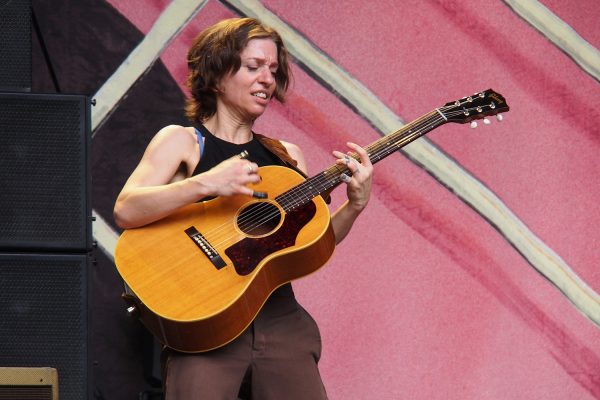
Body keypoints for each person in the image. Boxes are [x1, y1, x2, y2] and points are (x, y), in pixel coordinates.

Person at [113, 17, 373, 400]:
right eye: (253, 67)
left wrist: (354, 205)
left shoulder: (288, 157)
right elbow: (126, 210)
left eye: (273, 69)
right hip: (205, 321)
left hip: (280, 323)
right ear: (217, 77)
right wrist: (205, 183)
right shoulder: (183, 142)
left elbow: (311, 245)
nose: (267, 79)